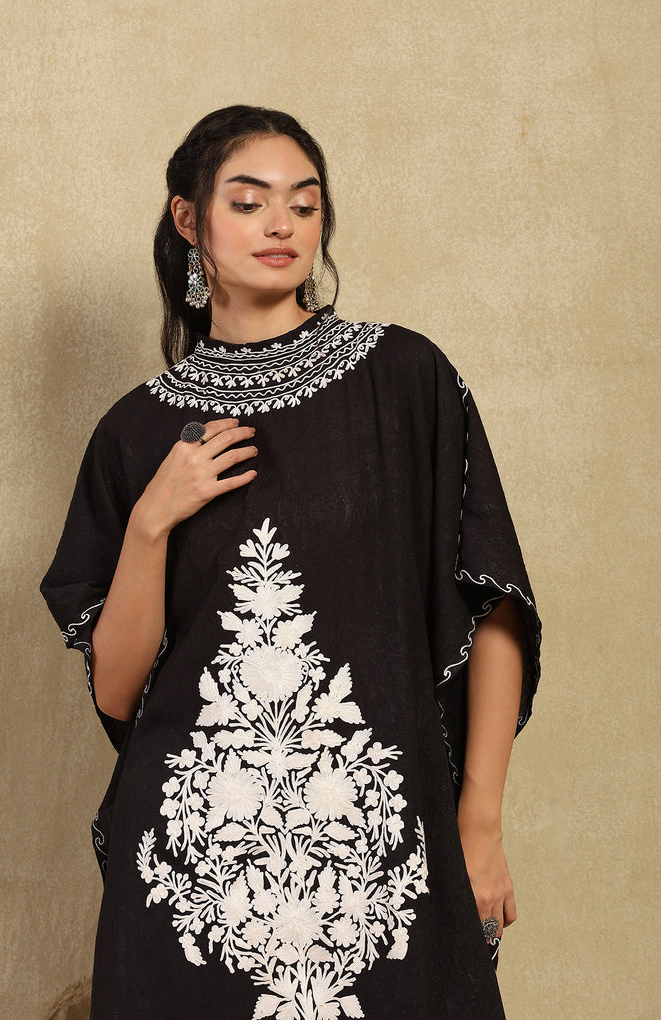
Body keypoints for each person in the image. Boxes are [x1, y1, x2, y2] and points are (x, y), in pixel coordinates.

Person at [41, 105, 540, 1019]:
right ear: (189, 219)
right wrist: (152, 521)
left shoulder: (404, 379)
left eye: (304, 206)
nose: (281, 225)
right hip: (199, 878)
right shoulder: (134, 432)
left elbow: (491, 603)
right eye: (249, 202)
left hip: (379, 858)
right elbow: (117, 690)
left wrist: (479, 822)